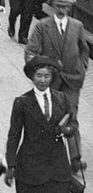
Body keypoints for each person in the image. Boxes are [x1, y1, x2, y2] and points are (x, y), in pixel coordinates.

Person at [25, 0, 89, 172]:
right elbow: (30, 51)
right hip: (49, 83)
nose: (61, 10)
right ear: (52, 7)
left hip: (72, 81)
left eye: (65, 7)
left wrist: (82, 67)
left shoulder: (77, 26)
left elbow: (84, 50)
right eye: (58, 7)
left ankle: (75, 160)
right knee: (47, 119)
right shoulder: (42, 27)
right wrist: (38, 73)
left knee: (72, 117)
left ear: (69, 9)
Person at [5, 56, 77, 193]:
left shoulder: (62, 99)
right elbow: (14, 135)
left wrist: (66, 129)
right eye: (39, 76)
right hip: (31, 170)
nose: (43, 80)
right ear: (32, 77)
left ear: (52, 77)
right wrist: (11, 165)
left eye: (46, 76)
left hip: (58, 169)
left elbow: (73, 123)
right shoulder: (22, 102)